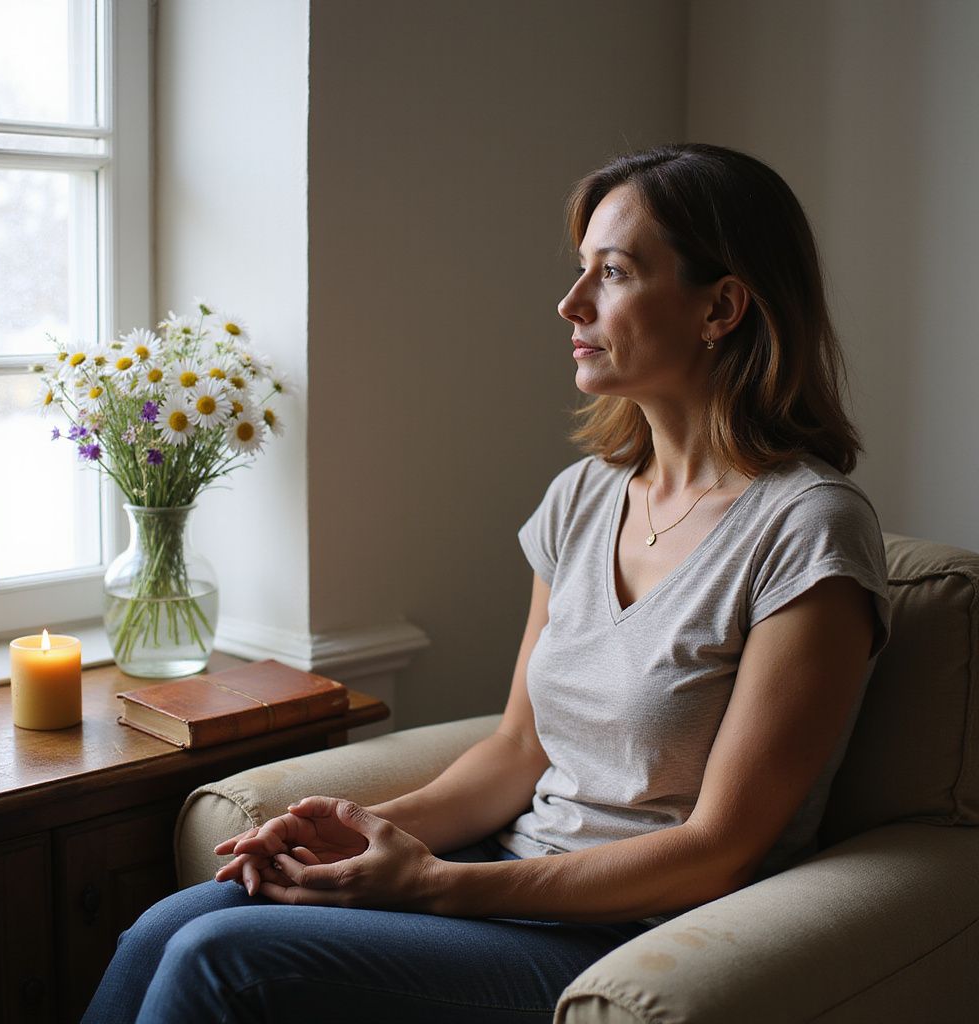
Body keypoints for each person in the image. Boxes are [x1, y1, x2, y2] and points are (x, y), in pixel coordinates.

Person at [82, 143, 890, 1023]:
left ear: (723, 306)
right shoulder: (582, 497)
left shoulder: (808, 528)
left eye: (612, 273)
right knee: (164, 927)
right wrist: (353, 833)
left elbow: (720, 849)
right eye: (581, 270)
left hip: (629, 933)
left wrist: (434, 887)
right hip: (503, 877)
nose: (570, 304)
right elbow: (517, 752)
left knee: (218, 959)